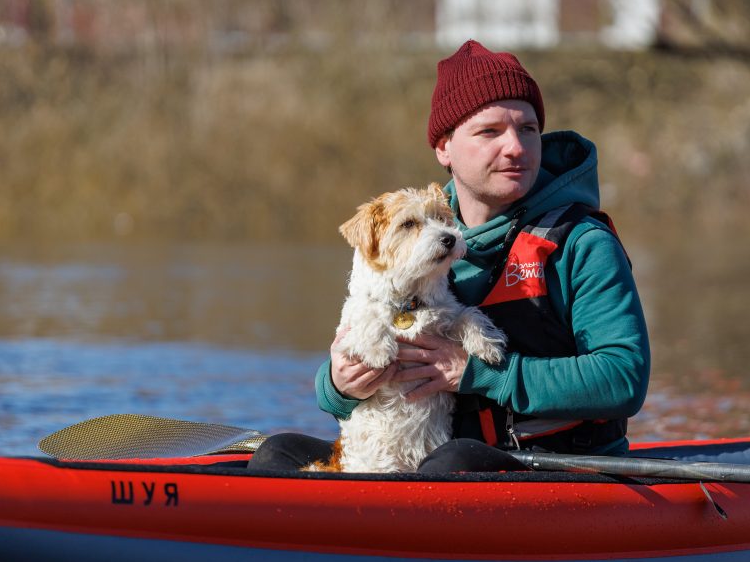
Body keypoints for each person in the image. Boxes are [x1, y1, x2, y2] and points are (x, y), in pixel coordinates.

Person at [249, 39, 649, 472]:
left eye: (528, 129)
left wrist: (479, 372)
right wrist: (338, 386)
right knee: (277, 452)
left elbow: (623, 377)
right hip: (431, 450)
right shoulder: (413, 237)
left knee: (447, 467)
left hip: (555, 463)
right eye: (490, 131)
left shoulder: (582, 243)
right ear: (445, 148)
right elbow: (364, 336)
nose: (516, 147)